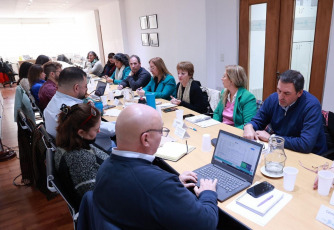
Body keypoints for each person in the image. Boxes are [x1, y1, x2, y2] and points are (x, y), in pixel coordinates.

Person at [93, 104, 219, 229]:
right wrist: (208, 193)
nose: (162, 135)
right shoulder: (158, 185)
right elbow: (206, 224)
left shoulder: (105, 167)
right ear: (145, 139)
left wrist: (175, 184)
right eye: (161, 131)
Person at [243, 70, 327, 155]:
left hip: (311, 156)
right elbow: (258, 121)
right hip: (282, 149)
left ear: (299, 93)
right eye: (279, 91)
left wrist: (272, 138)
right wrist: (249, 126)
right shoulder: (273, 99)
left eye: (287, 93)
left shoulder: (311, 106)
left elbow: (305, 144)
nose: (280, 97)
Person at [44, 67, 115, 151]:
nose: (86, 90)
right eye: (85, 86)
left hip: (66, 149)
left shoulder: (53, 101)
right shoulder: (75, 111)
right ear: (76, 88)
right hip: (96, 150)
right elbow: (109, 130)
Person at [55, 103, 109, 206]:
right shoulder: (78, 160)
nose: (99, 130)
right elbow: (99, 198)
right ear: (81, 132)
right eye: (96, 129)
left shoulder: (72, 142)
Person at [213, 65, 256, 129]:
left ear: (232, 80)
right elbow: (216, 113)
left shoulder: (248, 97)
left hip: (235, 133)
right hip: (221, 129)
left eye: (224, 76)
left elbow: (248, 124)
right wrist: (216, 125)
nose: (221, 78)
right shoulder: (224, 93)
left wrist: (229, 131)